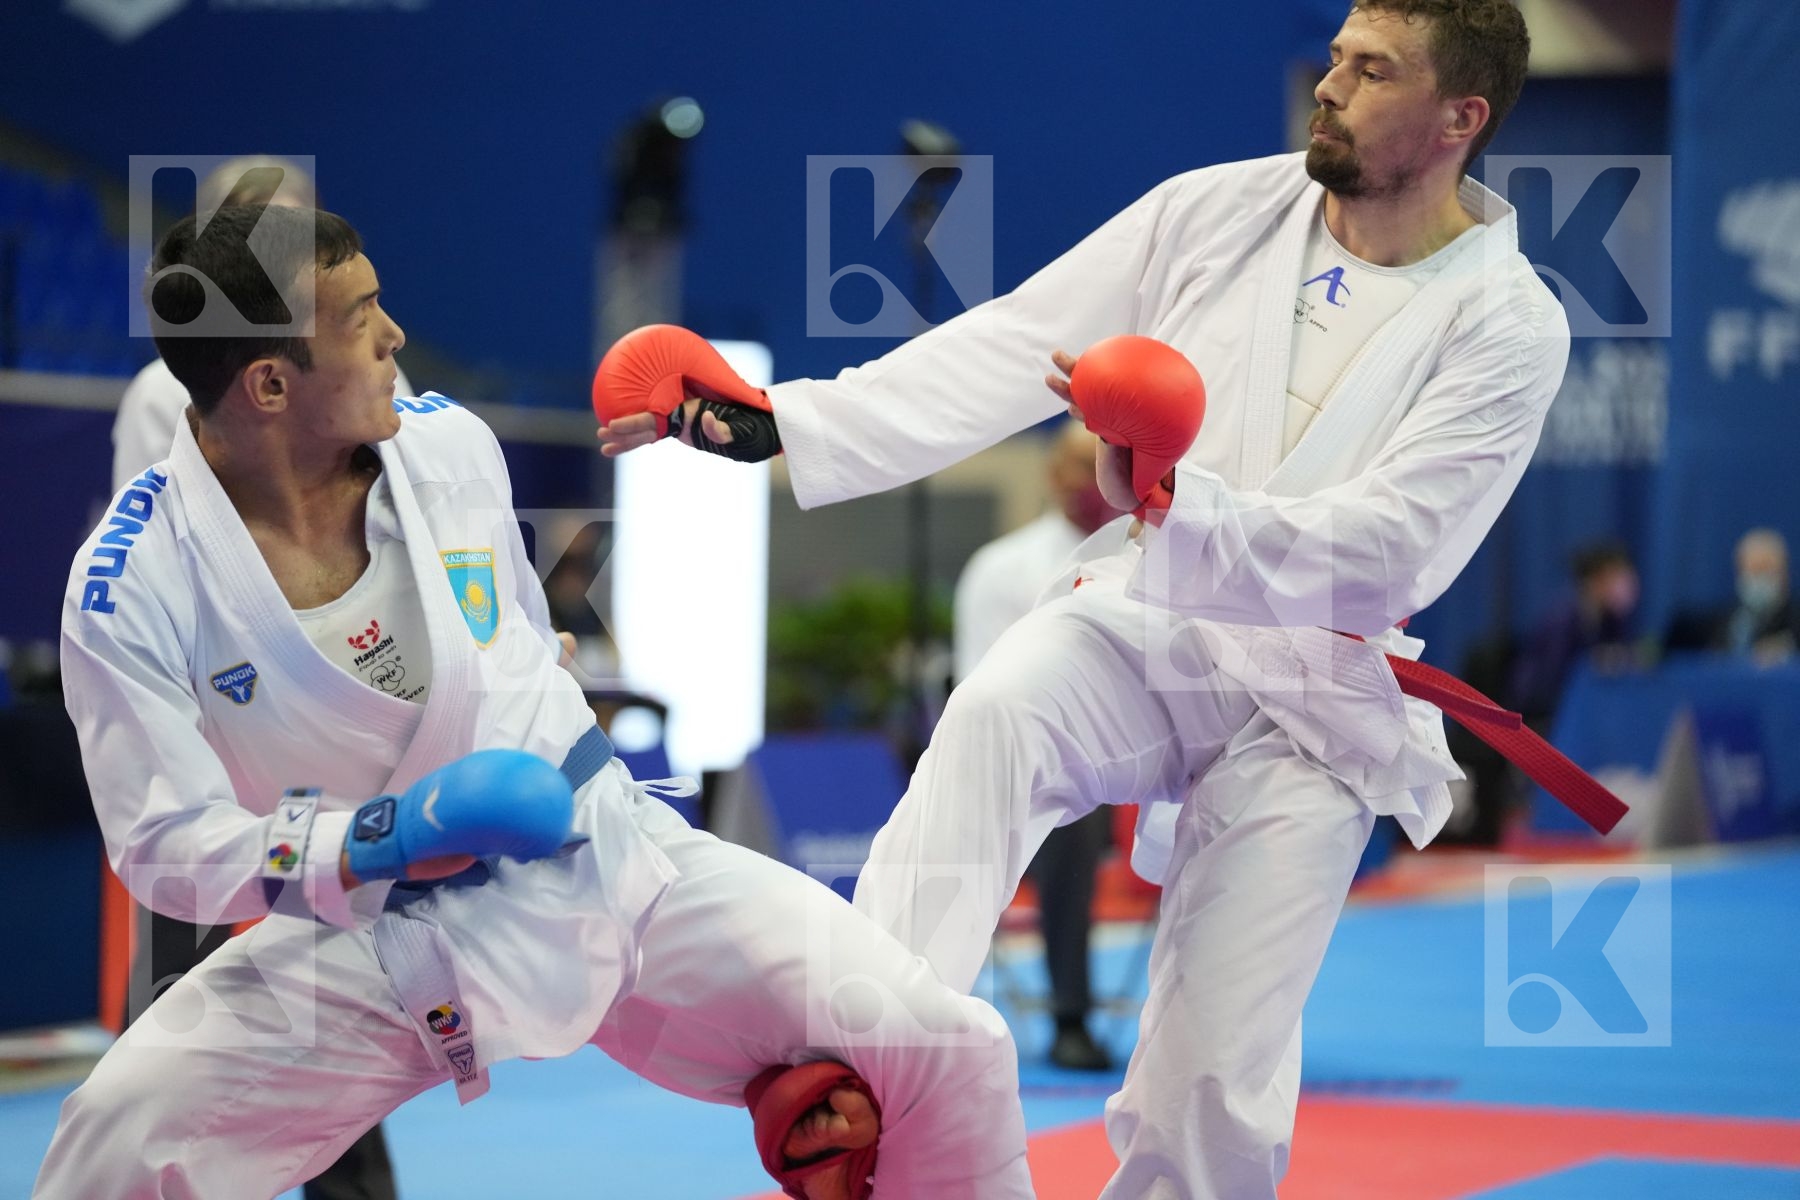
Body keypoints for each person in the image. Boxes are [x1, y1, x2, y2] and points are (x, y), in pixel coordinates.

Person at [599, 2, 1567, 1194]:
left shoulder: (1510, 322)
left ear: (1459, 118)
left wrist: (1172, 503)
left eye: (1373, 71)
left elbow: (1397, 549)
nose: (1330, 85)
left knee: (1213, 1075)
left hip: (1314, 696)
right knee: (1000, 710)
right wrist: (788, 423)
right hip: (1146, 617)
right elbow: (1017, 342)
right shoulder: (1215, 209)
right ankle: (865, 1079)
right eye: (1334, 57)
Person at [38, 204, 1034, 1200]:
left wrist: (535, 670)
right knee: (118, 1141)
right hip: (387, 932)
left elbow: (513, 624)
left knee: (945, 1046)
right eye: (361, 318)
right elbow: (164, 845)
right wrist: (376, 838)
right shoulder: (132, 585)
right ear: (268, 382)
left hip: (613, 856)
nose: (395, 337)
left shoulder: (450, 447)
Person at [107, 156, 409, 1200]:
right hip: (208, 743)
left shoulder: (380, 385)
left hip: (323, 744)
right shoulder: (164, 396)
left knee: (329, 1005)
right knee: (178, 1014)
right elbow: (146, 579)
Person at [953, 422, 1119, 1071]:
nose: (1096, 482)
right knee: (1070, 825)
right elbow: (982, 683)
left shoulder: (1154, 556)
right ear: (1054, 477)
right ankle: (1069, 1016)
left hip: (1128, 753)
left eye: (1109, 465)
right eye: (1082, 466)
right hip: (1026, 758)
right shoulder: (1004, 567)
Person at [1665, 528, 1800, 662]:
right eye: (1753, 571)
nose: (1759, 579)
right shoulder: (1725, 620)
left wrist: (1786, 650)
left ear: (1784, 574)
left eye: (1765, 570)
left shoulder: (1795, 621)